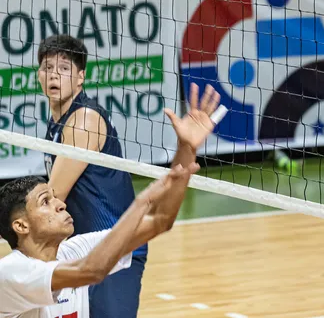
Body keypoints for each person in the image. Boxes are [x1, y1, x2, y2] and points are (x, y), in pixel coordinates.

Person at [0, 83, 225, 318]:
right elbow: (92, 270)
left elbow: (160, 220)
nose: (61, 204)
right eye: (46, 202)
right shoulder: (12, 273)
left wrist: (186, 148)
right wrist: (142, 201)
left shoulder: (73, 251)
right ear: (21, 226)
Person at [38, 35, 144, 318]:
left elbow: (54, 197)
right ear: (38, 76)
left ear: (81, 77)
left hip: (113, 248)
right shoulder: (56, 122)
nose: (54, 75)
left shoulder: (84, 120)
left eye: (64, 68)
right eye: (47, 68)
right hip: (81, 251)